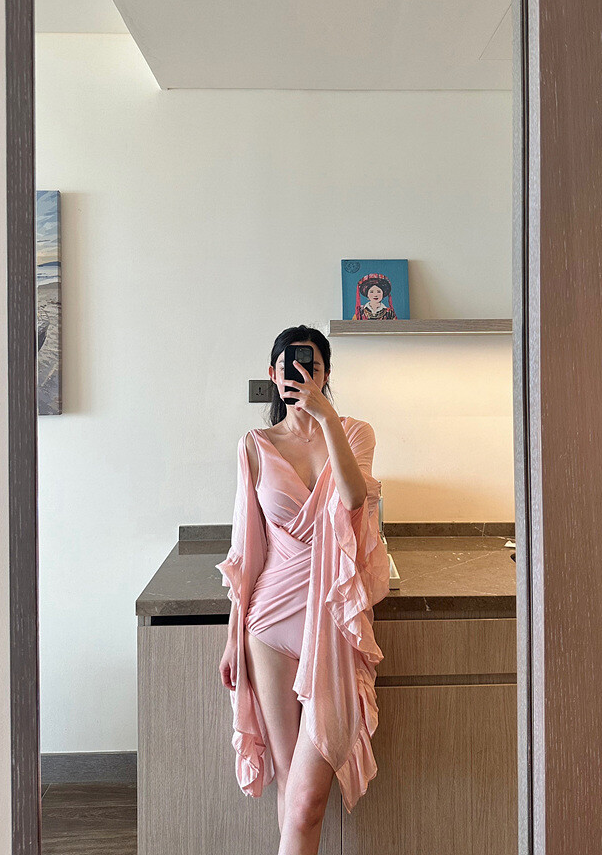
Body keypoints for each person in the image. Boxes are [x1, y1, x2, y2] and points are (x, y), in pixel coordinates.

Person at [216, 325, 389, 855]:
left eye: (311, 366)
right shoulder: (255, 446)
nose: (300, 375)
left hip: (331, 621)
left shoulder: (354, 433)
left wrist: (325, 416)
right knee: (290, 782)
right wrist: (233, 637)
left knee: (309, 799)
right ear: (273, 375)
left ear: (326, 373)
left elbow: (354, 498)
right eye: (289, 366)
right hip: (268, 625)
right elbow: (247, 550)